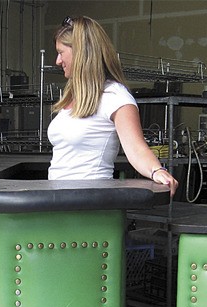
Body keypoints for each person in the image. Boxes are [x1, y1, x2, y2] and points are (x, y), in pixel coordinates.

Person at [48, 15, 178, 197]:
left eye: (61, 53)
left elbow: (136, 149)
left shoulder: (115, 96)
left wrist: (157, 171)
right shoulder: (74, 96)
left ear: (80, 52)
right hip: (57, 199)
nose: (58, 61)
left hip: (90, 202)